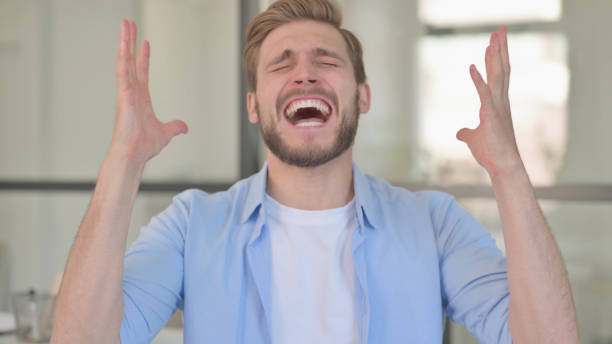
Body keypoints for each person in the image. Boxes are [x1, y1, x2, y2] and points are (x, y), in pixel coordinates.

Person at [51, 0, 579, 343]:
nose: (304, 73)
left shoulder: (432, 224)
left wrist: (509, 172)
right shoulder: (193, 225)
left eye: (326, 60)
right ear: (255, 106)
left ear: (362, 96)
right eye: (281, 63)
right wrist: (123, 164)